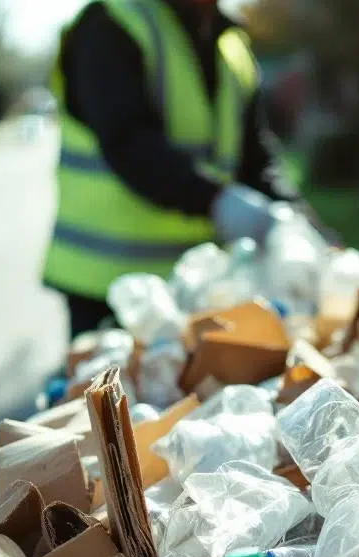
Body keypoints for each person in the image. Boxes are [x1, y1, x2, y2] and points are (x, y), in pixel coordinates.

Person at [43, 0, 304, 339]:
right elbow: (127, 140)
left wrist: (292, 213)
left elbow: (255, 153)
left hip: (201, 284)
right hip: (110, 291)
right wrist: (216, 199)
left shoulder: (231, 46)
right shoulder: (114, 21)